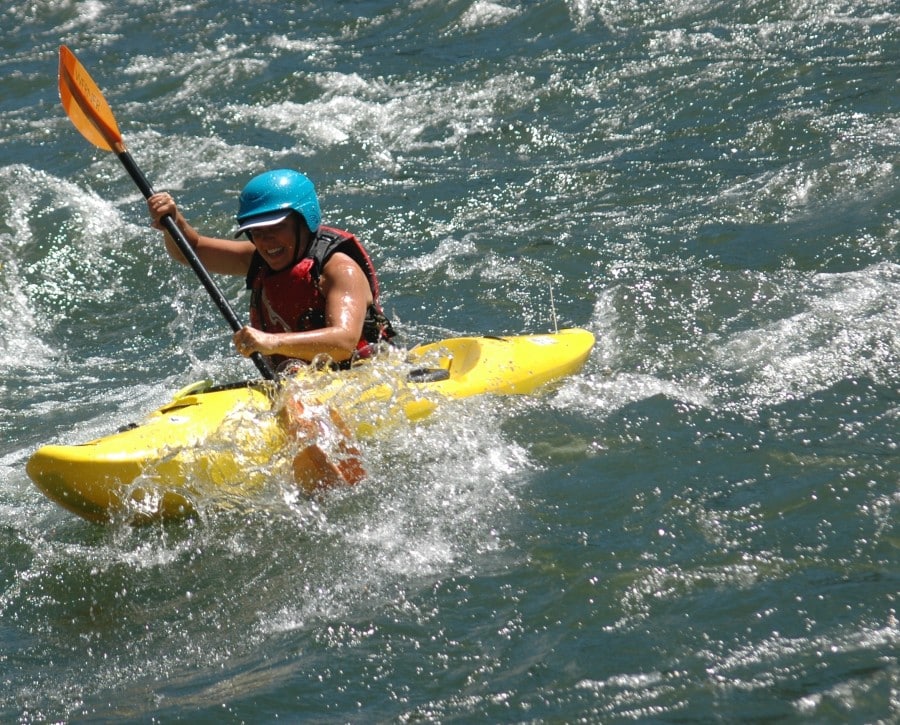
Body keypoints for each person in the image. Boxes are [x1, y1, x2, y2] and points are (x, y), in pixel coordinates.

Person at [146, 168, 394, 371]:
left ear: (304, 220)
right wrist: (173, 221)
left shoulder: (340, 269)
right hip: (300, 380)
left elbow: (343, 342)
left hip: (361, 376)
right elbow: (193, 252)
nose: (266, 241)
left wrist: (272, 342)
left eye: (275, 228)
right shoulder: (258, 259)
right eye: (257, 232)